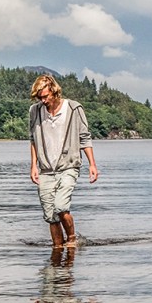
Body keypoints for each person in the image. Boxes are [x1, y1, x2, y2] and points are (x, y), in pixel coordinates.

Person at [29, 74, 99, 249]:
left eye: (45, 96)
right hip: (45, 169)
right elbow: (33, 139)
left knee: (61, 206)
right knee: (50, 215)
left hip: (69, 166)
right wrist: (33, 165)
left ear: (54, 90)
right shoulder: (35, 111)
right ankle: (58, 248)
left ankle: (73, 239)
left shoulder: (74, 108)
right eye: (40, 97)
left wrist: (92, 164)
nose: (43, 100)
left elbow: (85, 138)